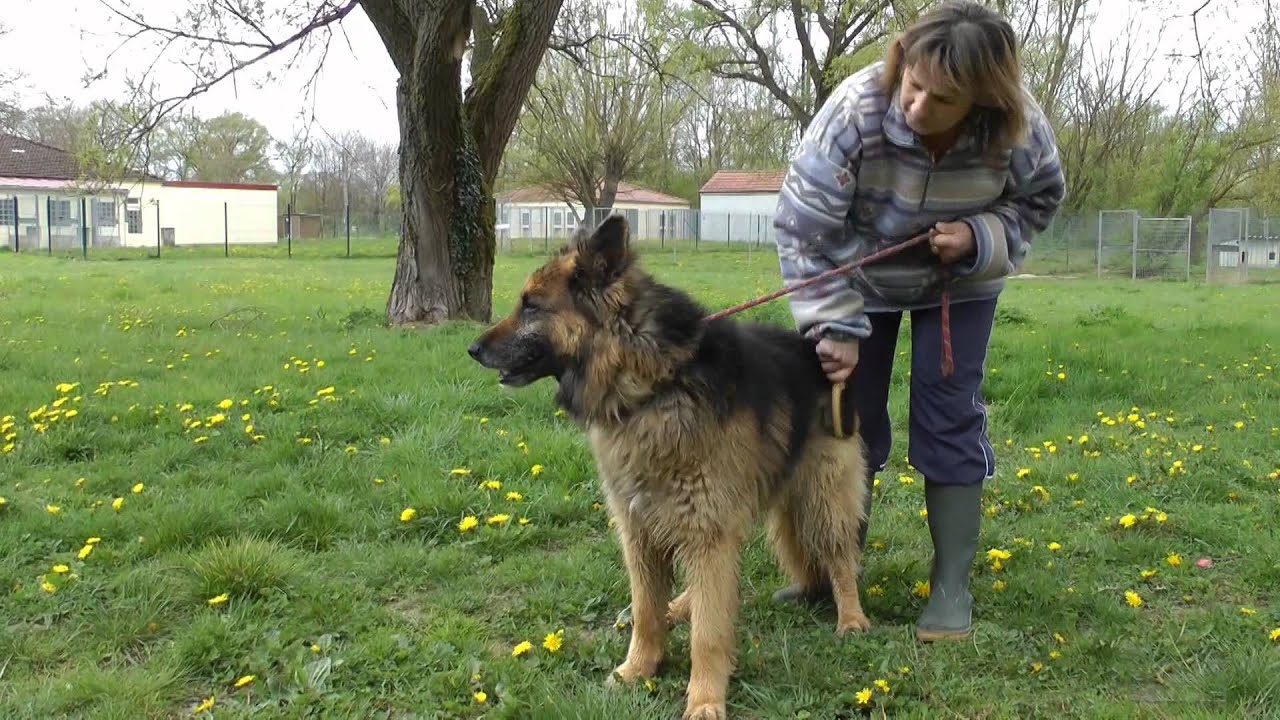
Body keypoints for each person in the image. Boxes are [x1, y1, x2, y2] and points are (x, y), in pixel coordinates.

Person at [771, 0, 1066, 642]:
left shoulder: (1017, 129)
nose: (917, 107)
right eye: (914, 83)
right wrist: (834, 329)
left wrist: (983, 234)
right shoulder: (852, 114)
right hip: (858, 283)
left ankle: (952, 583)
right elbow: (802, 230)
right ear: (902, 62)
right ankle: (835, 575)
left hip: (956, 287)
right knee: (848, 422)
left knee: (949, 414)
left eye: (944, 98)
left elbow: (1040, 198)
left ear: (984, 99)